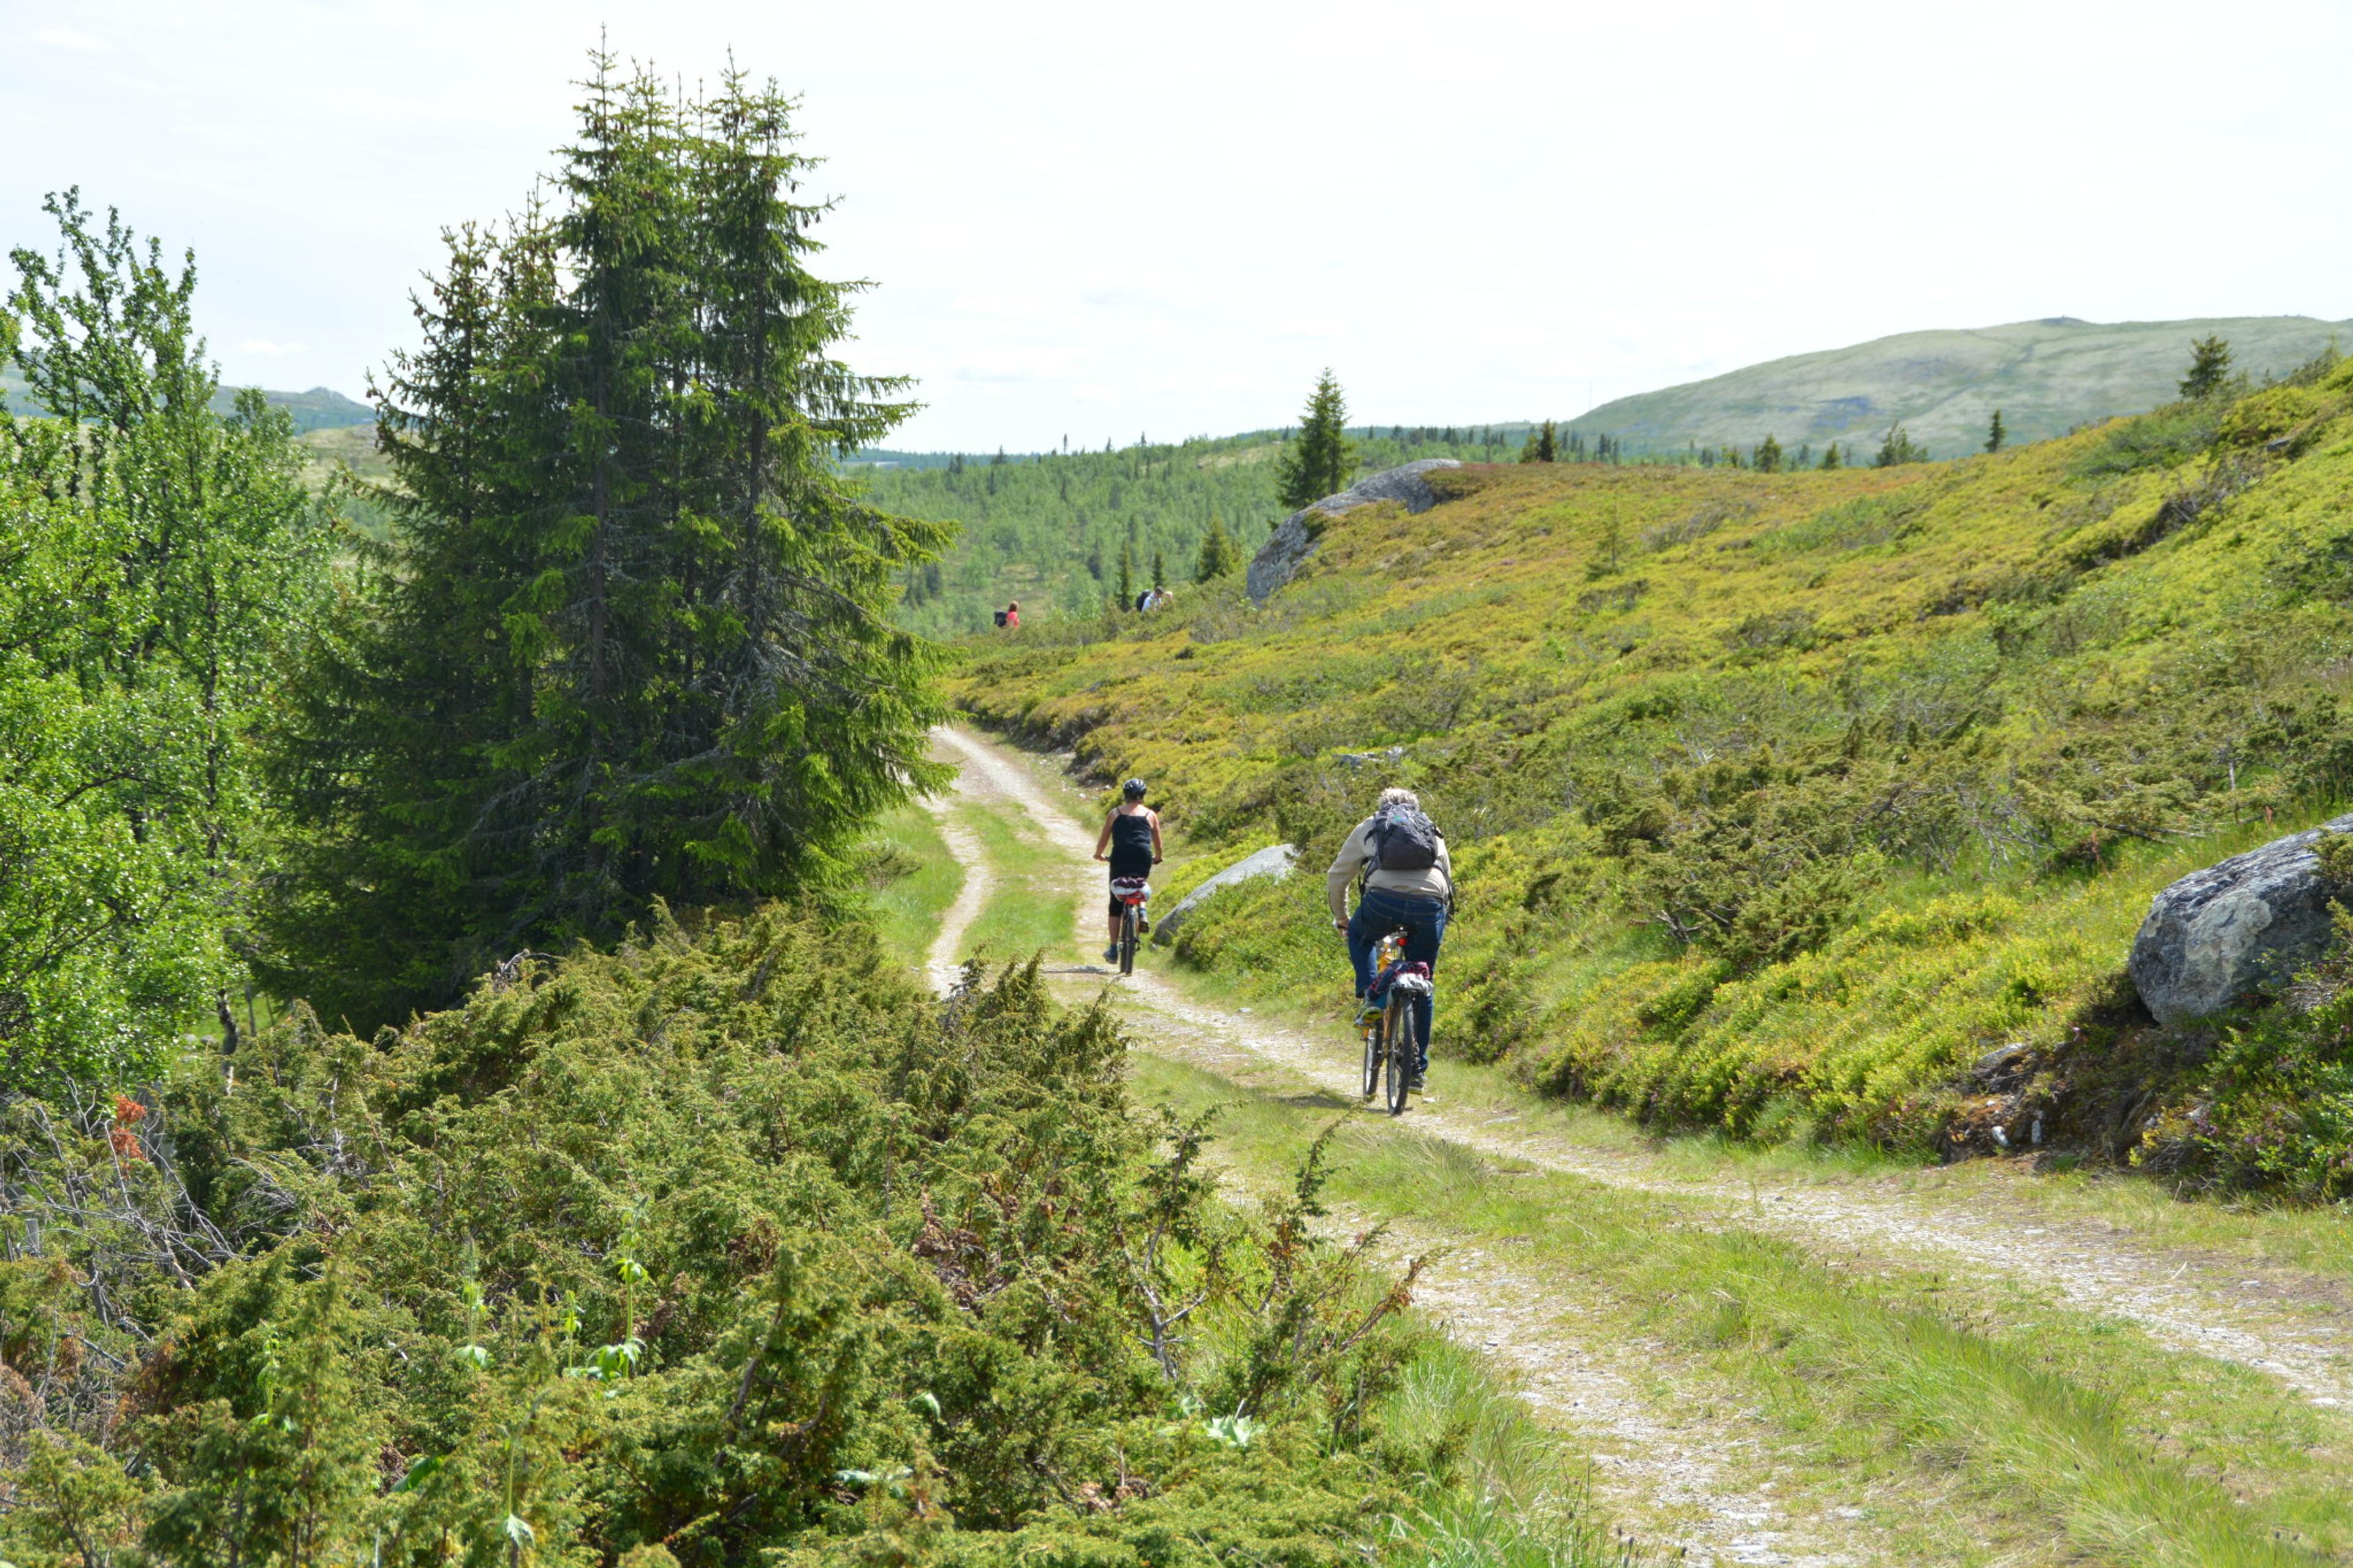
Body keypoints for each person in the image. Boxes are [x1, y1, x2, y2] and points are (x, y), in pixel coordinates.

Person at [1328, 787, 1452, 1087]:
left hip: (1383, 901)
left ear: (1383, 806)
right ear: (1416, 807)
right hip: (1429, 903)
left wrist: (1343, 918)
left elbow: (1338, 875)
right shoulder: (1430, 828)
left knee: (1360, 935)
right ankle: (1416, 1070)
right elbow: (1446, 879)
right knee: (1424, 980)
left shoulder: (1372, 825)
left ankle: (1372, 996)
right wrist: (1436, 919)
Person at [1093, 778, 1163, 963]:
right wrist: (1157, 857)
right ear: (1143, 796)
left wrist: (1099, 854)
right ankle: (1142, 912)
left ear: (1125, 795)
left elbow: (1104, 839)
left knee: (1116, 904)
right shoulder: (1150, 815)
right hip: (1142, 857)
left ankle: (1114, 949)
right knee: (1139, 885)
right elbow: (1157, 842)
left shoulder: (1115, 813)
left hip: (1120, 857)